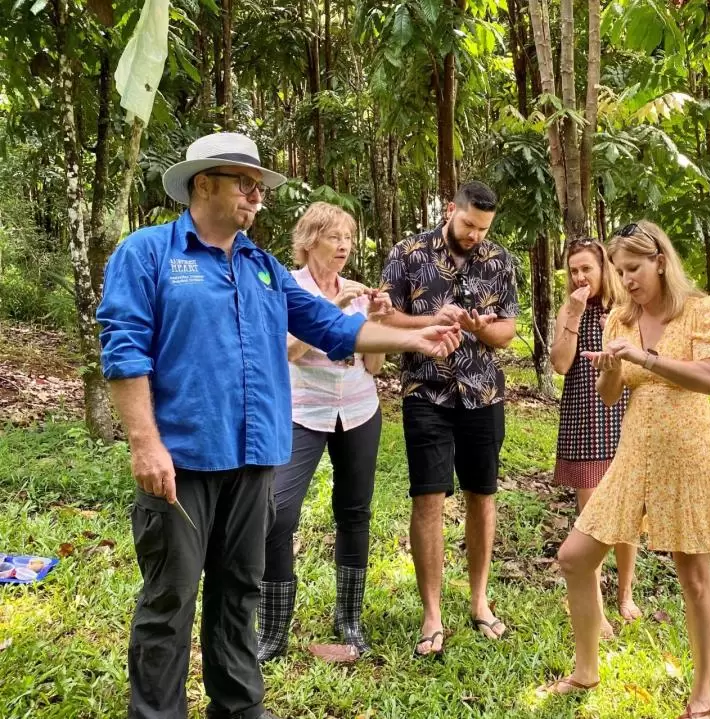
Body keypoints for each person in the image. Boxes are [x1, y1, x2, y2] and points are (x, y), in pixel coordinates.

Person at [97, 132, 460, 719]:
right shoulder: (149, 253)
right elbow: (124, 349)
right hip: (181, 460)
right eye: (245, 183)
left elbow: (333, 328)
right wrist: (144, 443)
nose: (256, 196)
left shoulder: (265, 270)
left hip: (255, 457)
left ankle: (238, 708)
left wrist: (413, 336)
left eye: (260, 187)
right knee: (170, 598)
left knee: (239, 592)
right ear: (203, 183)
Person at [542, 221, 710, 719]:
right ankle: (586, 670)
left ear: (660, 261)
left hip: (689, 451)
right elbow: (612, 394)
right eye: (621, 271)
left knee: (694, 578)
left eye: (634, 269)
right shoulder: (620, 320)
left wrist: (647, 359)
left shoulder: (699, 309)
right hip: (633, 453)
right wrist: (610, 369)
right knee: (574, 558)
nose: (627, 280)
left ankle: (702, 694)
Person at [379, 181, 519, 657]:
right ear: (449, 210)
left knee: (483, 497)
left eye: (482, 229)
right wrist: (433, 321)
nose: (475, 235)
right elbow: (385, 319)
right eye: (468, 225)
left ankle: (480, 601)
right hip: (426, 392)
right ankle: (432, 613)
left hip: (483, 394)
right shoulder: (407, 253)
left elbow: (508, 330)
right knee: (429, 499)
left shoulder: (500, 261)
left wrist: (482, 327)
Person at [257, 202, 390, 662]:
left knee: (354, 512)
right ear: (309, 240)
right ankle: (272, 631)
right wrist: (329, 311)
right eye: (335, 237)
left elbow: (374, 365)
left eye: (348, 238)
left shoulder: (359, 292)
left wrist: (378, 321)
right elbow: (286, 352)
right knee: (277, 513)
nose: (344, 246)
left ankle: (348, 620)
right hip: (302, 412)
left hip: (358, 410)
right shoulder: (288, 288)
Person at [550, 237, 637, 638]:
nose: (581, 277)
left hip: (624, 412)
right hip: (585, 414)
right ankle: (597, 609)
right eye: (574, 271)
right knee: (593, 517)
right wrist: (574, 312)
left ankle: (625, 594)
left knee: (628, 513)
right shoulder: (570, 309)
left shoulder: (627, 310)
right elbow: (561, 364)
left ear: (604, 269)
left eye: (587, 268)